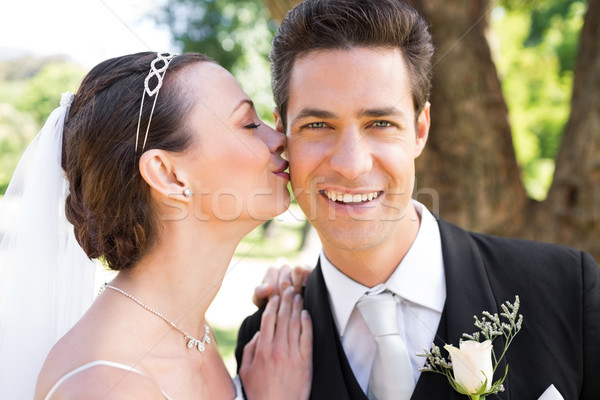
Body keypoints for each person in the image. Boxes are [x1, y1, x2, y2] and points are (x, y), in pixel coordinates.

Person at [236, 1, 600, 399]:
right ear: (283, 132)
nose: (351, 165)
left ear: (420, 130)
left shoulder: (568, 289)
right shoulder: (261, 347)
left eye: (380, 123)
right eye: (318, 125)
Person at [0, 51, 312, 399]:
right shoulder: (101, 388)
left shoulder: (189, 332)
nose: (279, 138)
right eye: (249, 125)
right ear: (168, 174)